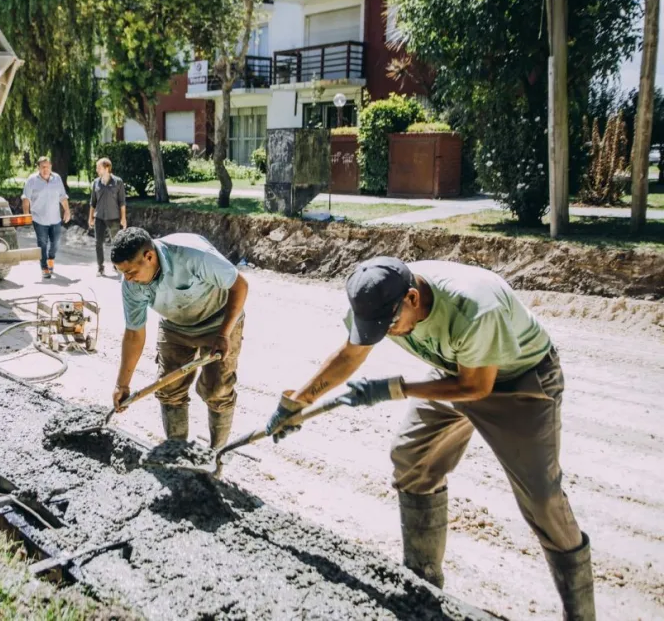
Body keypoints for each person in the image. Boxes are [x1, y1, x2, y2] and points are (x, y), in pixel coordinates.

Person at [265, 256, 594, 620]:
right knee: (412, 459)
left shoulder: (474, 306)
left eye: (388, 325)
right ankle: (423, 583)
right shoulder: (377, 296)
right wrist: (298, 401)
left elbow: (476, 386)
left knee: (543, 500)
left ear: (412, 298)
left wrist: (395, 388)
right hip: (454, 367)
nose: (385, 333)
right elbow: (350, 354)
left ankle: (581, 615)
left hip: (519, 381)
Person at [110, 227, 249, 449]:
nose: (128, 279)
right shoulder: (131, 284)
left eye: (131, 272)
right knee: (169, 389)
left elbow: (240, 286)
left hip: (219, 320)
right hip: (175, 325)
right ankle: (177, 453)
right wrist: (122, 384)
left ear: (149, 257)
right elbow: (134, 333)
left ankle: (216, 456)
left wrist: (224, 334)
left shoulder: (192, 254)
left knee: (218, 390)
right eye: (123, 273)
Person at [21, 156, 70, 279]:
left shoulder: (57, 178)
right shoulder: (32, 180)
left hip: (55, 218)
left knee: (56, 242)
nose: (45, 169)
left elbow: (63, 196)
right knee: (42, 243)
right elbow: (26, 198)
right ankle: (44, 267)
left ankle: (51, 258)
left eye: (47, 167)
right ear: (38, 168)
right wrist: (26, 215)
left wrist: (67, 211)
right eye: (43, 167)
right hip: (39, 219)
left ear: (51, 167)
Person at [88, 157, 127, 277]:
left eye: (98, 167)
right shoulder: (96, 183)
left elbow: (122, 202)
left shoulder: (118, 182)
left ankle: (116, 265)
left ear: (107, 168)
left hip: (114, 217)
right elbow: (92, 202)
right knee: (98, 243)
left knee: (116, 243)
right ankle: (100, 268)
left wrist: (123, 218)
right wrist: (90, 217)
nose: (97, 170)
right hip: (99, 217)